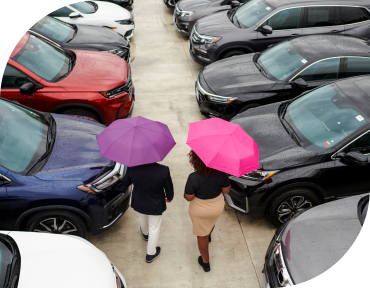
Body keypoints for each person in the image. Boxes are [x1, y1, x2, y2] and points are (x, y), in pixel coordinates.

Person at [184, 150, 231, 272]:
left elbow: (188, 197)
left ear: (195, 161)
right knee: (210, 221)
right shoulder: (221, 175)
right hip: (216, 207)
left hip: (199, 210)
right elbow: (226, 191)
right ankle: (208, 233)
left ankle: (205, 263)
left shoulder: (193, 177)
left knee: (201, 235)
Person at [122, 162, 174, 263]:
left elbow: (125, 183)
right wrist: (169, 197)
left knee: (142, 217)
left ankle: (145, 234)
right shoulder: (164, 170)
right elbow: (169, 188)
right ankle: (150, 253)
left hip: (139, 201)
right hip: (156, 203)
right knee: (154, 228)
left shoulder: (132, 167)